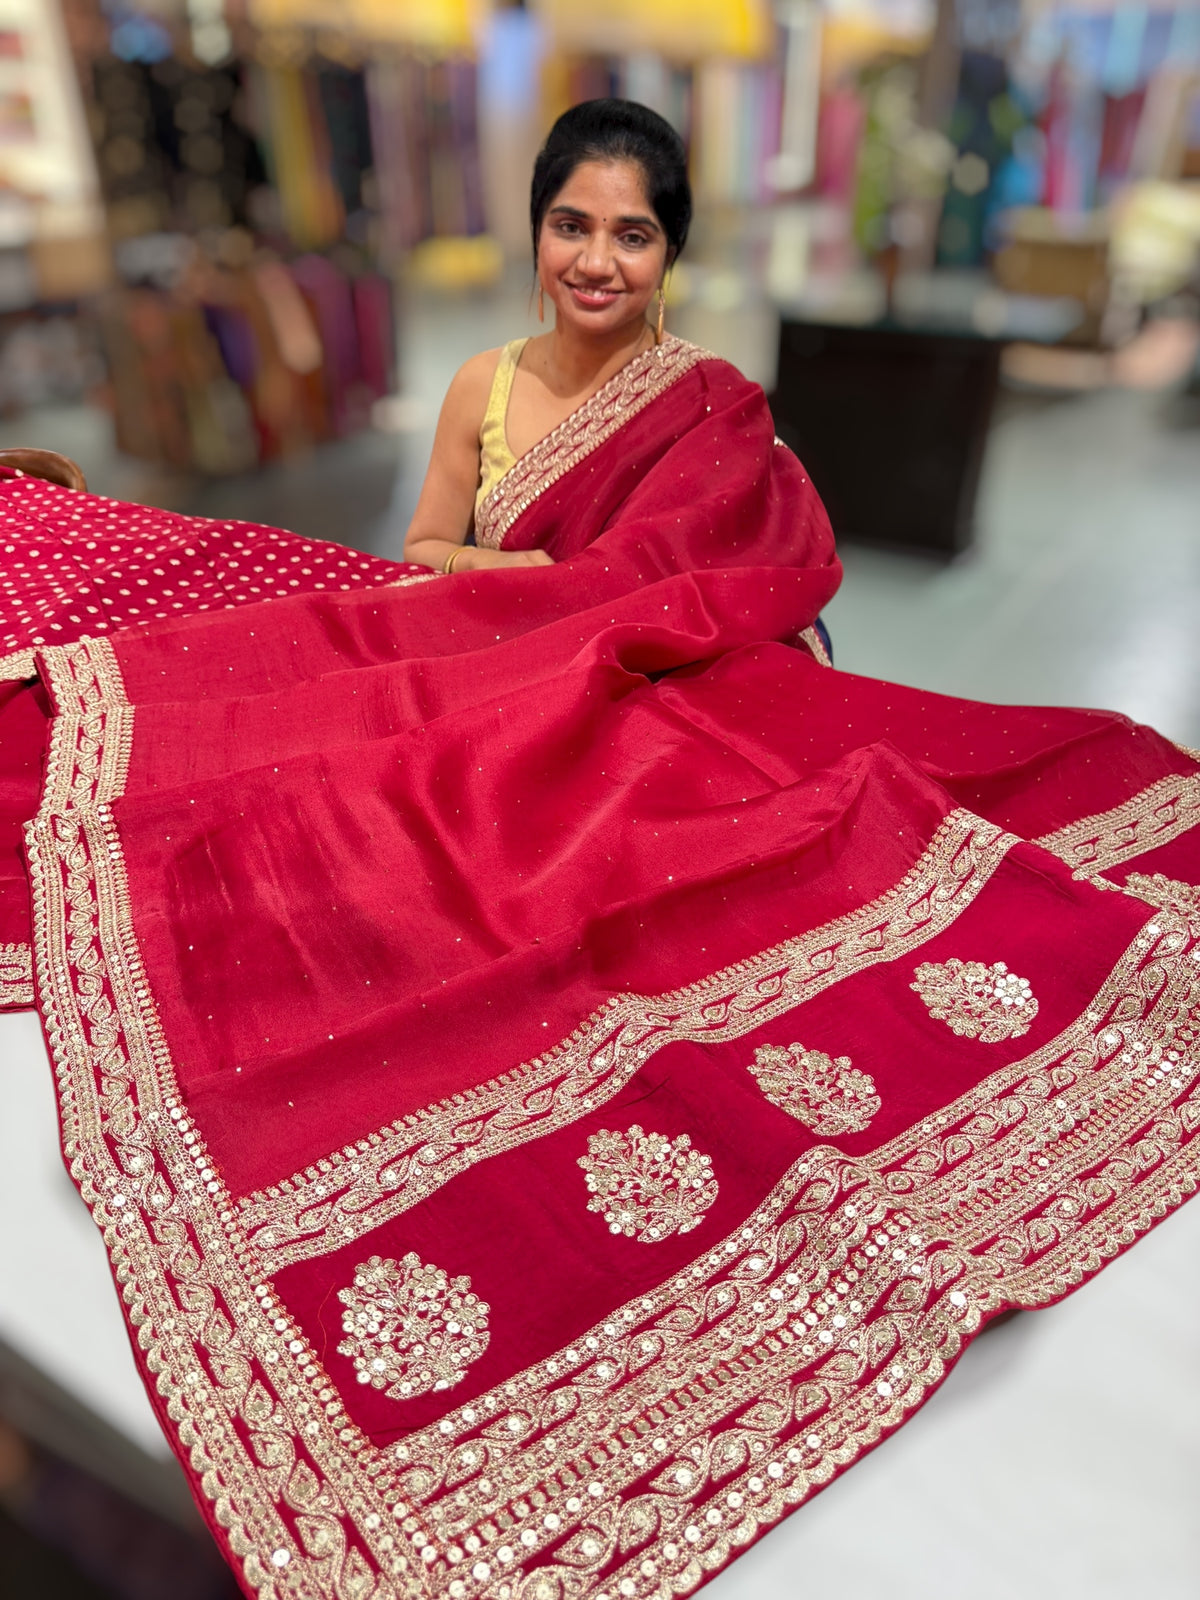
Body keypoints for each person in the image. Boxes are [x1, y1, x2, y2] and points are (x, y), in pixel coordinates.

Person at [1, 99, 1198, 1600]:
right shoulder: (484, 389)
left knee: (865, 800)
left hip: (645, 683)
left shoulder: (712, 410)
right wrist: (560, 593)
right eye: (574, 223)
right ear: (538, 229)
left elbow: (748, 585)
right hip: (510, 669)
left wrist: (580, 603)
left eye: (632, 232)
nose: (596, 257)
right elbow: (417, 558)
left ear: (671, 253)